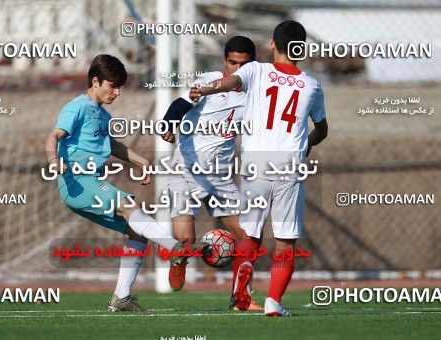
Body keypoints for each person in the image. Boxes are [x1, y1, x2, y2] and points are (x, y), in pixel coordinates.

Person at [189, 20, 329, 316]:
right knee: (285, 241)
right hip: (289, 164)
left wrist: (205, 88)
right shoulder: (312, 85)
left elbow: (229, 83)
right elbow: (322, 129)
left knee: (249, 235)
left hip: (256, 164)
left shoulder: (256, 70)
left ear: (273, 45)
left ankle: (242, 294)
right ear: (301, 48)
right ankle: (273, 302)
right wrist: (306, 144)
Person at [45, 54, 197, 312]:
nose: (117, 92)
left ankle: (121, 298)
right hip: (77, 183)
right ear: (95, 81)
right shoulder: (77, 107)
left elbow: (112, 145)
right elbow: (54, 136)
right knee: (128, 206)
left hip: (90, 183)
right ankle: (175, 249)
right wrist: (53, 160)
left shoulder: (102, 115)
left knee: (136, 230)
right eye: (112, 86)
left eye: (119, 88)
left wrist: (140, 162)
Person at [161, 36, 263, 311]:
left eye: (244, 64)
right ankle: (179, 261)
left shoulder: (257, 93)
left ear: (252, 66)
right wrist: (169, 124)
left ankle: (241, 299)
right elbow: (181, 104)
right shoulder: (208, 82)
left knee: (247, 237)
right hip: (186, 172)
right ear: (224, 61)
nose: (237, 69)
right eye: (232, 63)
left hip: (220, 179)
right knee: (186, 242)